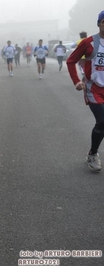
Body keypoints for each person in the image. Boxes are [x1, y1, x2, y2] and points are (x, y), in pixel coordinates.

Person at [66, 10, 104, 172]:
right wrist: (76, 81)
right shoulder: (89, 43)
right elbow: (71, 61)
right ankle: (92, 154)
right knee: (102, 121)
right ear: (99, 24)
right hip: (93, 88)